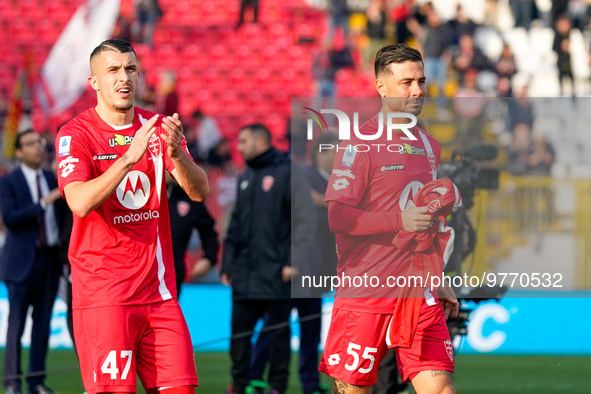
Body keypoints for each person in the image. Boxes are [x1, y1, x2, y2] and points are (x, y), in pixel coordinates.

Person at [55, 39, 208, 394]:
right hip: (104, 296)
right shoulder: (75, 134)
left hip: (159, 294)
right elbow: (78, 201)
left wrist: (178, 156)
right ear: (94, 82)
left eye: (130, 69)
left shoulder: (156, 128)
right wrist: (126, 159)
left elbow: (200, 192)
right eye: (112, 70)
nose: (123, 77)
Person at [318, 44, 459, 394]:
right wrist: (399, 220)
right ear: (381, 87)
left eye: (422, 81)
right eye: (406, 82)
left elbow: (426, 224)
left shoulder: (429, 145)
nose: (417, 91)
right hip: (365, 291)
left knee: (440, 389)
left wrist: (436, 276)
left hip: (416, 290)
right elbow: (338, 217)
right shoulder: (357, 145)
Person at [221, 123, 315, 394]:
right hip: (244, 274)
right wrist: (228, 264)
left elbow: (304, 220)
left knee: (278, 336)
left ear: (261, 142)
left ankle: (277, 386)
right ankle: (239, 384)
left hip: (277, 273)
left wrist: (294, 262)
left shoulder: (288, 173)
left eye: (243, 141)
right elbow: (235, 226)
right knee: (239, 336)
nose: (238, 147)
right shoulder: (245, 176)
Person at [0, 130, 63, 394]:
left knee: (42, 325)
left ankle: (36, 382)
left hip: (49, 260)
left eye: (40, 142)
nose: (38, 147)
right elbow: (11, 218)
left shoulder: (51, 177)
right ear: (18, 152)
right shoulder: (9, 182)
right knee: (15, 327)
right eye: (30, 144)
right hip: (20, 263)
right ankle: (13, 383)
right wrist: (42, 203)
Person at [167, 174, 218, 296]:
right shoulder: (143, 194)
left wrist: (208, 258)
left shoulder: (190, 197)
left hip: (173, 276)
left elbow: (209, 231)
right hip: (137, 275)